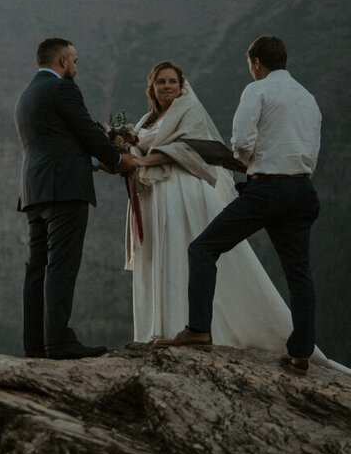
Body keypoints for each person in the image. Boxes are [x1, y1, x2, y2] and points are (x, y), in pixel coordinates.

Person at [124, 61, 343, 370]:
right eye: (161, 81)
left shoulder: (255, 90)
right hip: (301, 188)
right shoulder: (306, 97)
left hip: (262, 188)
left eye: (173, 80)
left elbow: (240, 142)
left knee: (202, 248)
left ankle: (199, 329)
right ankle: (301, 351)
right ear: (153, 86)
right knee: (299, 272)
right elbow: (313, 146)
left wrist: (245, 165)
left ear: (255, 63)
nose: (168, 86)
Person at [16, 38, 133, 360]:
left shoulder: (26, 94)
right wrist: (118, 160)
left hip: (34, 190)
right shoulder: (62, 90)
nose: (77, 68)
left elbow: (58, 141)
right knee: (61, 266)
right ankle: (59, 340)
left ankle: (35, 343)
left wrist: (94, 161)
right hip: (64, 189)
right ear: (64, 60)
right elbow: (85, 131)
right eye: (76, 61)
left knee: (37, 267)